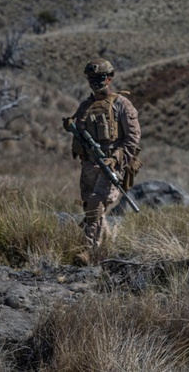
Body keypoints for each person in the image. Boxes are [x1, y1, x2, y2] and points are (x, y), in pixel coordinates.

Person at [63, 58, 142, 262]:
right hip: (89, 165)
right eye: (92, 78)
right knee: (90, 206)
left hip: (112, 166)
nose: (96, 82)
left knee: (97, 202)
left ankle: (89, 252)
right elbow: (78, 129)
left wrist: (116, 159)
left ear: (109, 78)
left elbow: (133, 138)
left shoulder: (121, 104)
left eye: (100, 78)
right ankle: (109, 245)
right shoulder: (85, 106)